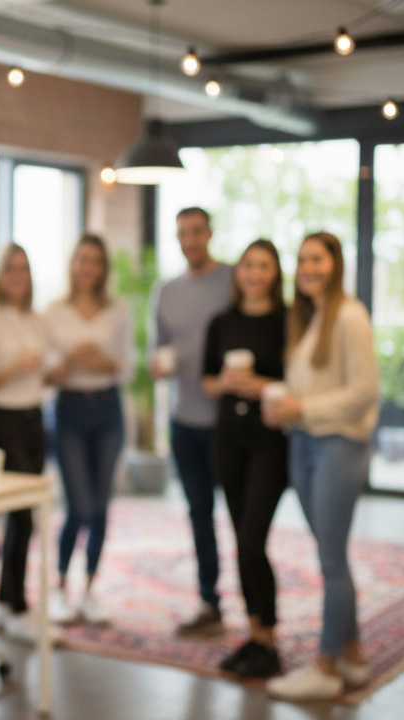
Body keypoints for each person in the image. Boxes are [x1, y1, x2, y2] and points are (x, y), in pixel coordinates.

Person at [262, 232, 379, 700]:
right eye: (303, 259)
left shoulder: (350, 316)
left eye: (318, 258)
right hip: (304, 444)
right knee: (332, 554)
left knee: (331, 560)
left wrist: (301, 408)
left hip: (337, 444)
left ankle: (325, 667)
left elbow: (364, 392)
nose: (308, 267)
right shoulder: (307, 319)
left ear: (335, 264)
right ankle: (352, 654)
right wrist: (283, 407)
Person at [201, 239, 288, 679]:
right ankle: (253, 635)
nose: (254, 273)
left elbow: (297, 380)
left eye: (263, 265)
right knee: (239, 540)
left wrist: (260, 385)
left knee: (254, 541)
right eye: (247, 265)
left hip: (269, 442)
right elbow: (207, 380)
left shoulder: (288, 322)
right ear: (239, 272)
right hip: (228, 439)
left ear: (275, 272)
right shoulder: (222, 322)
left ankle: (270, 639)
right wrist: (228, 383)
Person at [150, 207, 235, 637]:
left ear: (210, 233)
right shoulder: (165, 291)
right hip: (184, 422)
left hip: (231, 422)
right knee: (200, 512)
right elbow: (158, 351)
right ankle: (209, 599)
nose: (190, 240)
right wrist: (157, 367)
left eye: (197, 232)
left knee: (242, 517)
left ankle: (257, 607)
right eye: (182, 233)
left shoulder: (235, 280)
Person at [45, 235, 131, 626]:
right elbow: (47, 374)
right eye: (82, 259)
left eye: (96, 261)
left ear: (103, 268)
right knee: (79, 505)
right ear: (73, 264)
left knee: (100, 506)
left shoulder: (119, 310)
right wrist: (67, 363)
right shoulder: (54, 311)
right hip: (70, 410)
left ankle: (91, 589)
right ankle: (60, 586)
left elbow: (127, 368)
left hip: (109, 410)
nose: (88, 267)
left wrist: (100, 362)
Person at [0, 244, 48, 642]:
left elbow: (46, 372)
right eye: (10, 269)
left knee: (26, 518)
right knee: (20, 516)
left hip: (35, 418)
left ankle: (5, 599)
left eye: (24, 268)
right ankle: (17, 605)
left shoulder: (38, 320)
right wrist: (14, 368)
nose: (18, 276)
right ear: (0, 276)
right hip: (2, 422)